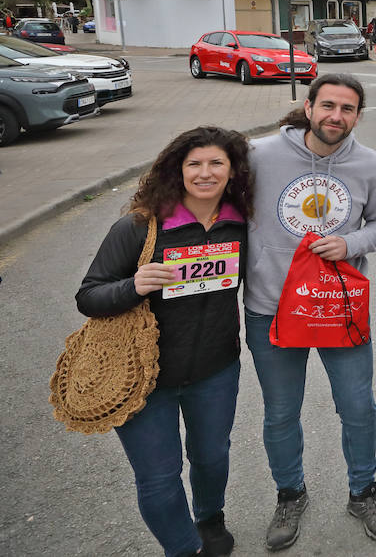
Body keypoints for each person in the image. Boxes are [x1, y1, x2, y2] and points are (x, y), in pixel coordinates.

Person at [77, 126, 253, 557]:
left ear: (232, 172)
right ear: (178, 169)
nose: (205, 173)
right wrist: (132, 286)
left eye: (216, 163)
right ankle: (183, 548)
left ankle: (210, 518)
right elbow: (89, 295)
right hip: (140, 377)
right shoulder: (140, 226)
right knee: (158, 477)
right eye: (194, 164)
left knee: (212, 458)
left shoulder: (242, 224)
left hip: (215, 370)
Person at [243, 74, 376, 550]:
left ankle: (363, 492)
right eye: (327, 105)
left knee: (357, 407)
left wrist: (350, 242)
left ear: (357, 116)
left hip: (338, 307)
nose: (336, 116)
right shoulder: (259, 156)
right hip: (271, 306)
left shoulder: (370, 165)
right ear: (308, 108)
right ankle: (290, 494)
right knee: (281, 412)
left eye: (347, 109)